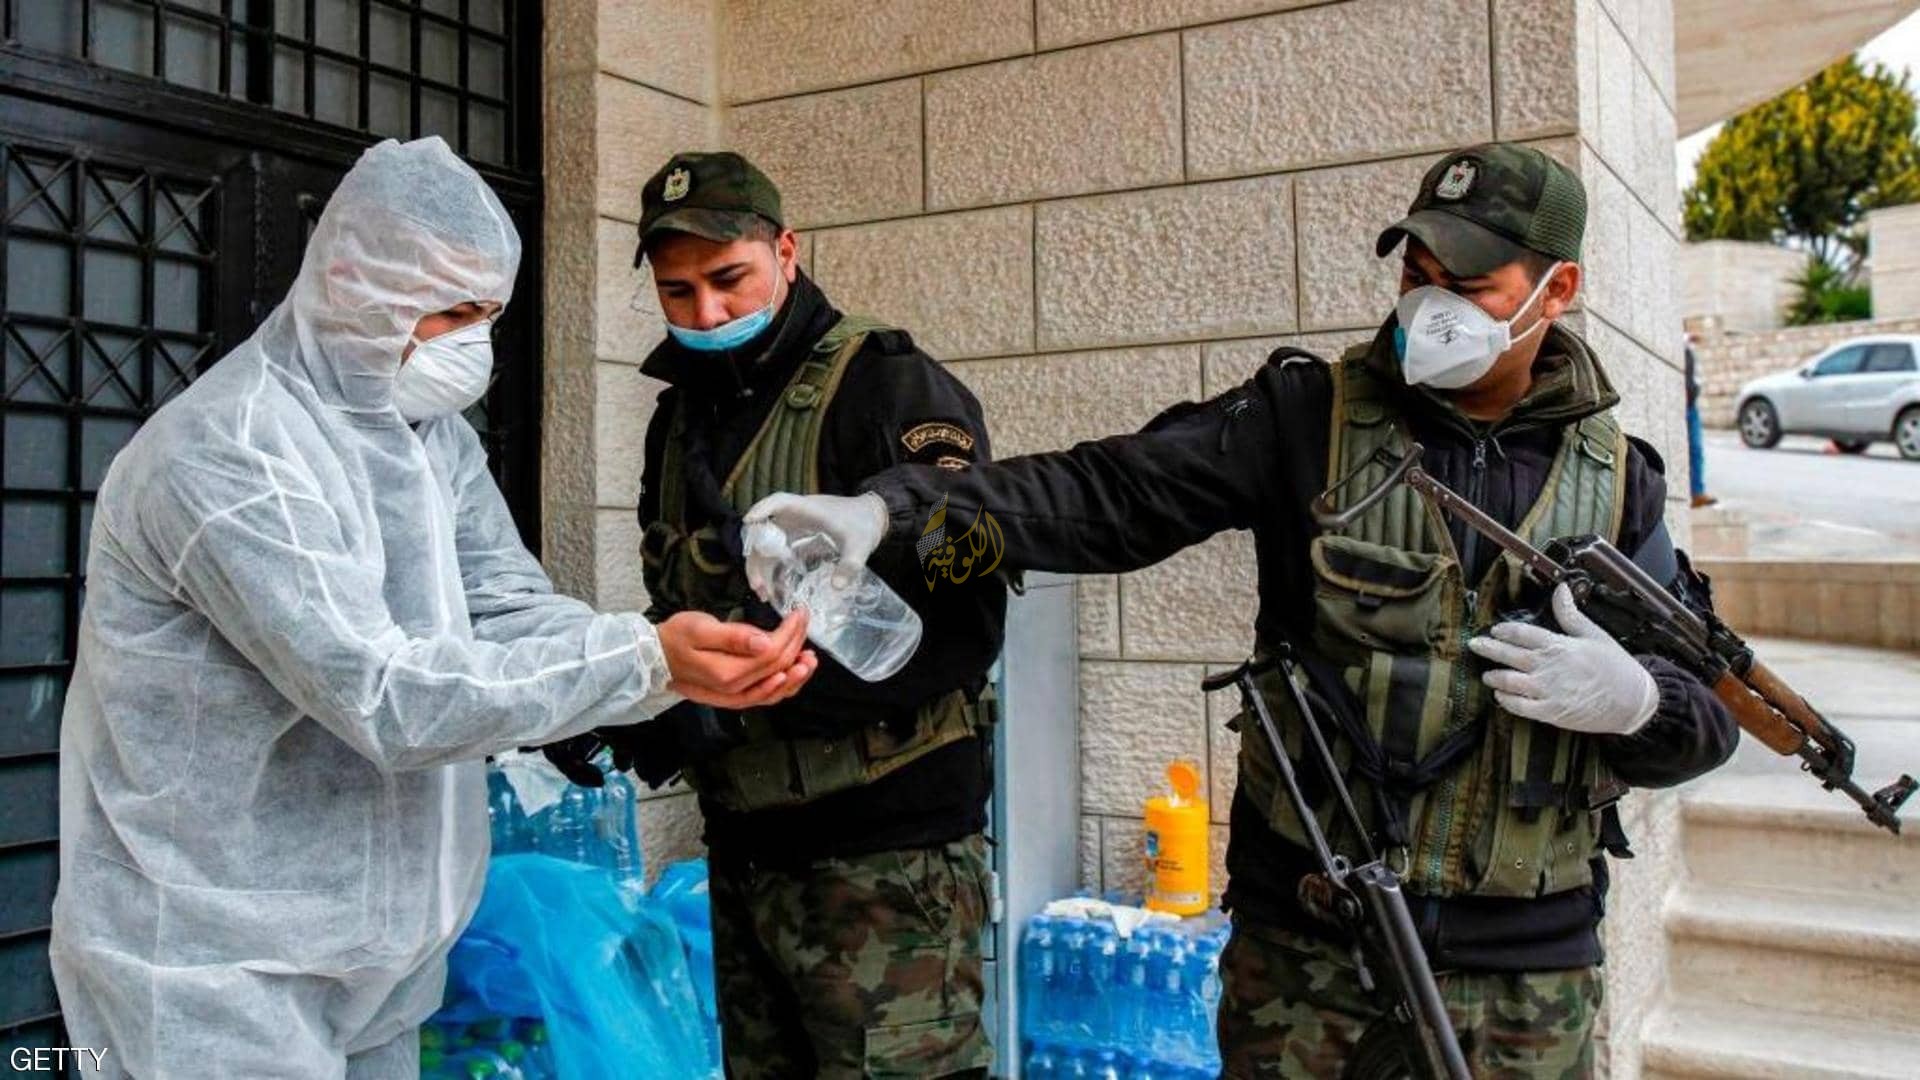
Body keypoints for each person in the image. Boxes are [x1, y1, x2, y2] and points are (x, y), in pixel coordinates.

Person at [750, 143, 1739, 1077]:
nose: (1431, 307)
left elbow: (1707, 721)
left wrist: (1637, 704)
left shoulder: (1619, 484)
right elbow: (1108, 495)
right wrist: (894, 509)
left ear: (1557, 290)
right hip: (1309, 958)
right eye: (1416, 275)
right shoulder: (1305, 416)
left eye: (1469, 286)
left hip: (1526, 979)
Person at [47, 137, 817, 1080]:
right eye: (450, 312)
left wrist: (663, 660)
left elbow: (503, 604)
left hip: (381, 960)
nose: (471, 344)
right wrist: (644, 659)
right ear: (350, 284)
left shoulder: (426, 437)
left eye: (487, 314)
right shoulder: (228, 454)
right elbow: (383, 694)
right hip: (211, 963)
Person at [543, 151, 1005, 1079]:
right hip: (747, 846)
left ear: (786, 251)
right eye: (677, 293)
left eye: (729, 279)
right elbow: (692, 606)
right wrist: (626, 706)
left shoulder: (888, 389)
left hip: (886, 856)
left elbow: (962, 627)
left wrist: (718, 713)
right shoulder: (682, 418)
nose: (708, 313)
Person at [1685, 332, 1717, 507]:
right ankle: (1692, 492)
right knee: (1688, 449)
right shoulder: (1681, 346)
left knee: (1696, 449)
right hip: (1682, 406)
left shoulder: (1688, 350)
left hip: (1691, 405)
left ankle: (1697, 492)